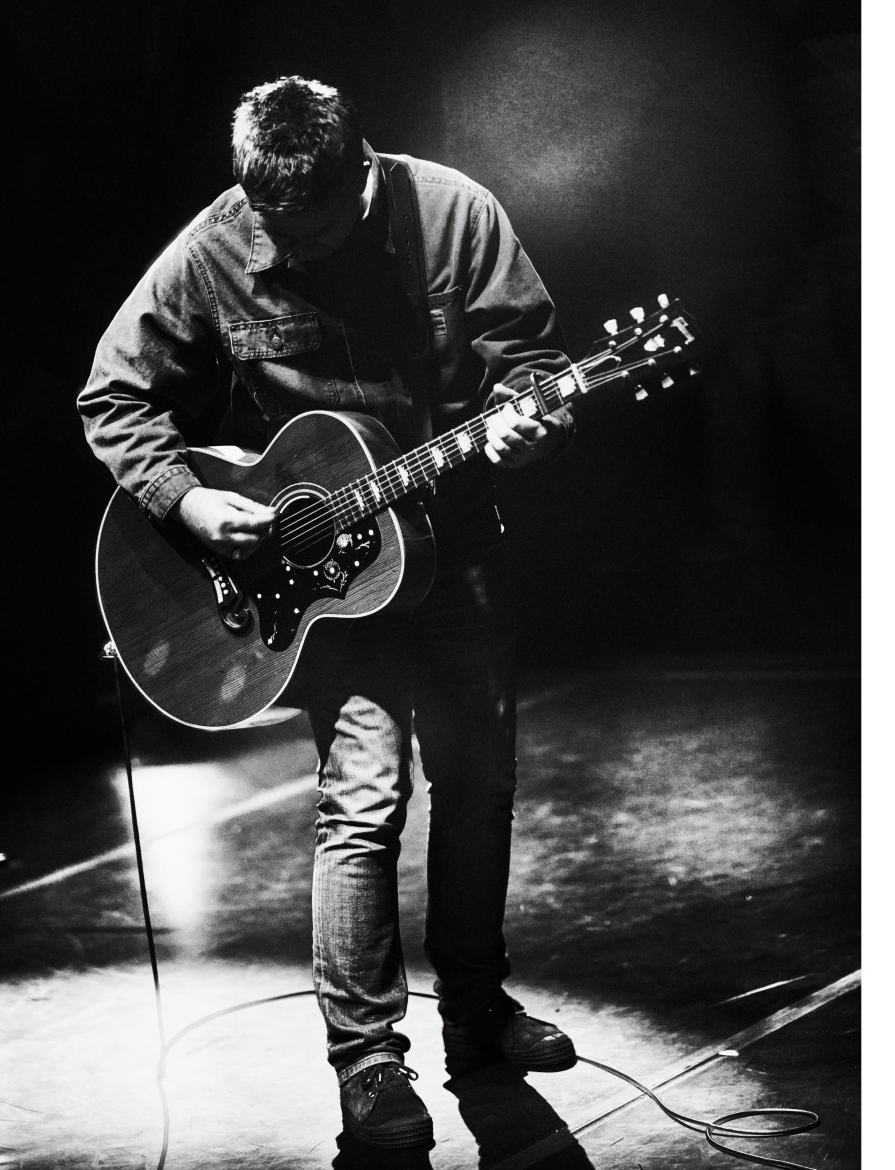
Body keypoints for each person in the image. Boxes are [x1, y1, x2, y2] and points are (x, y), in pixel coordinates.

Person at [79, 77, 577, 1148]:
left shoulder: (452, 214)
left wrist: (526, 417)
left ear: (363, 171)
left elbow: (531, 363)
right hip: (322, 585)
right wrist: (191, 498)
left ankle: (480, 1016)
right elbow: (109, 396)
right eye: (277, 227)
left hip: (456, 543)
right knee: (363, 796)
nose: (298, 245)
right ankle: (368, 1061)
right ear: (250, 196)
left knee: (480, 781)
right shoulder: (215, 247)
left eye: (324, 223)